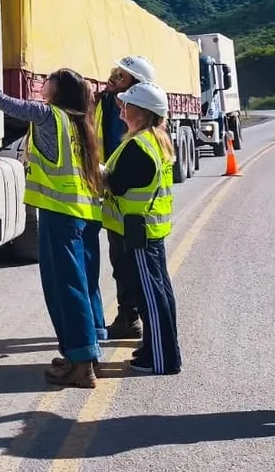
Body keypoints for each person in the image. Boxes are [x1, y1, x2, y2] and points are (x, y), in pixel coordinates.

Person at [0, 48, 106, 388]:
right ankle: (85, 351)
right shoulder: (79, 121)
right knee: (79, 284)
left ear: (58, 90)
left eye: (49, 79)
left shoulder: (49, 115)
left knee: (64, 288)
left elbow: (0, 100)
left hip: (59, 215)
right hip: (80, 215)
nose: (43, 82)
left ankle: (81, 364)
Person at [100, 80, 182, 375]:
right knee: (158, 293)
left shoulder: (138, 145)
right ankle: (154, 349)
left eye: (127, 104)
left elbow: (120, 185)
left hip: (137, 231)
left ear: (143, 112)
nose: (121, 108)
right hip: (149, 230)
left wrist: (100, 174)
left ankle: (161, 359)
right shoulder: (155, 138)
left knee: (150, 297)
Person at [95, 55, 156, 340]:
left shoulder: (135, 115)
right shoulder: (107, 102)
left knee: (132, 267)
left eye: (122, 75)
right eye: (116, 72)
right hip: (116, 204)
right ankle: (127, 316)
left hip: (131, 210)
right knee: (120, 265)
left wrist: (108, 177)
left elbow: (129, 170)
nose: (114, 77)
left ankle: (138, 322)